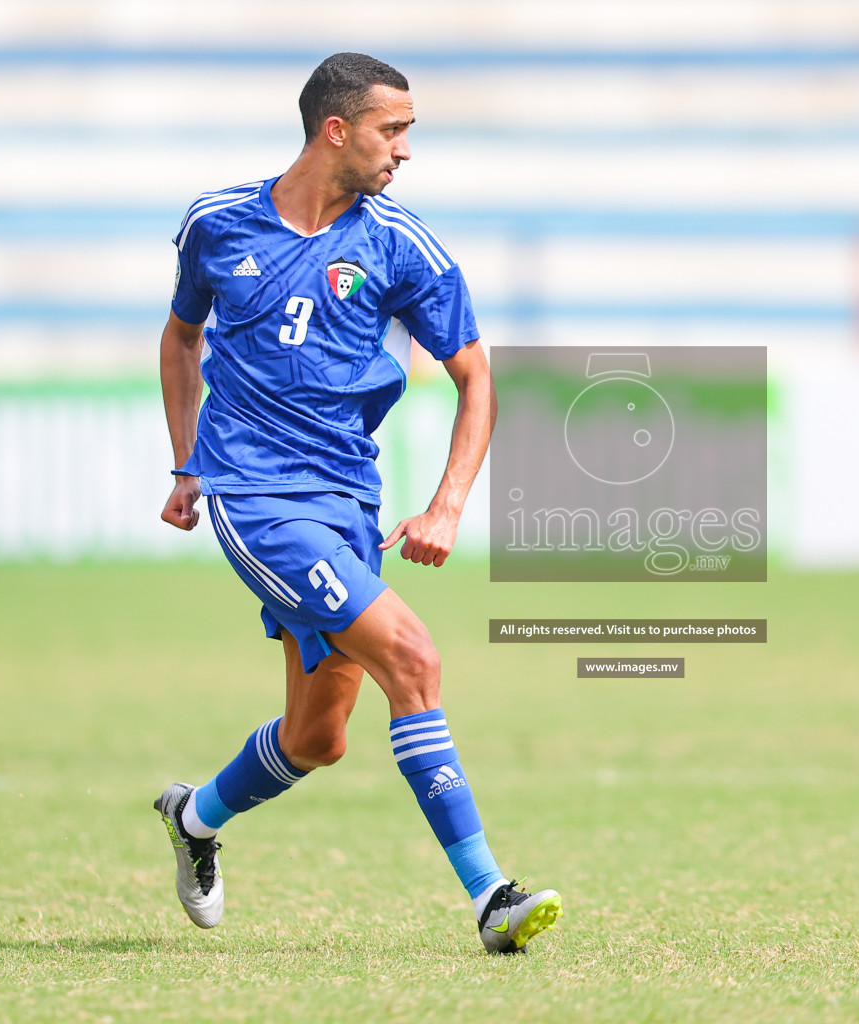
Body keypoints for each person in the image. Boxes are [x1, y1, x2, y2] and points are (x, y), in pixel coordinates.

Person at [153, 52, 561, 955]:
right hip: (258, 497)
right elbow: (181, 338)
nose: (405, 150)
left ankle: (195, 819)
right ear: (335, 129)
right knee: (412, 658)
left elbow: (476, 376)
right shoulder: (218, 224)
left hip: (348, 501)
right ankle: (493, 896)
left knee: (317, 737)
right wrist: (188, 465)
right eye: (394, 129)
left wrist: (448, 504)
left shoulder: (400, 242)